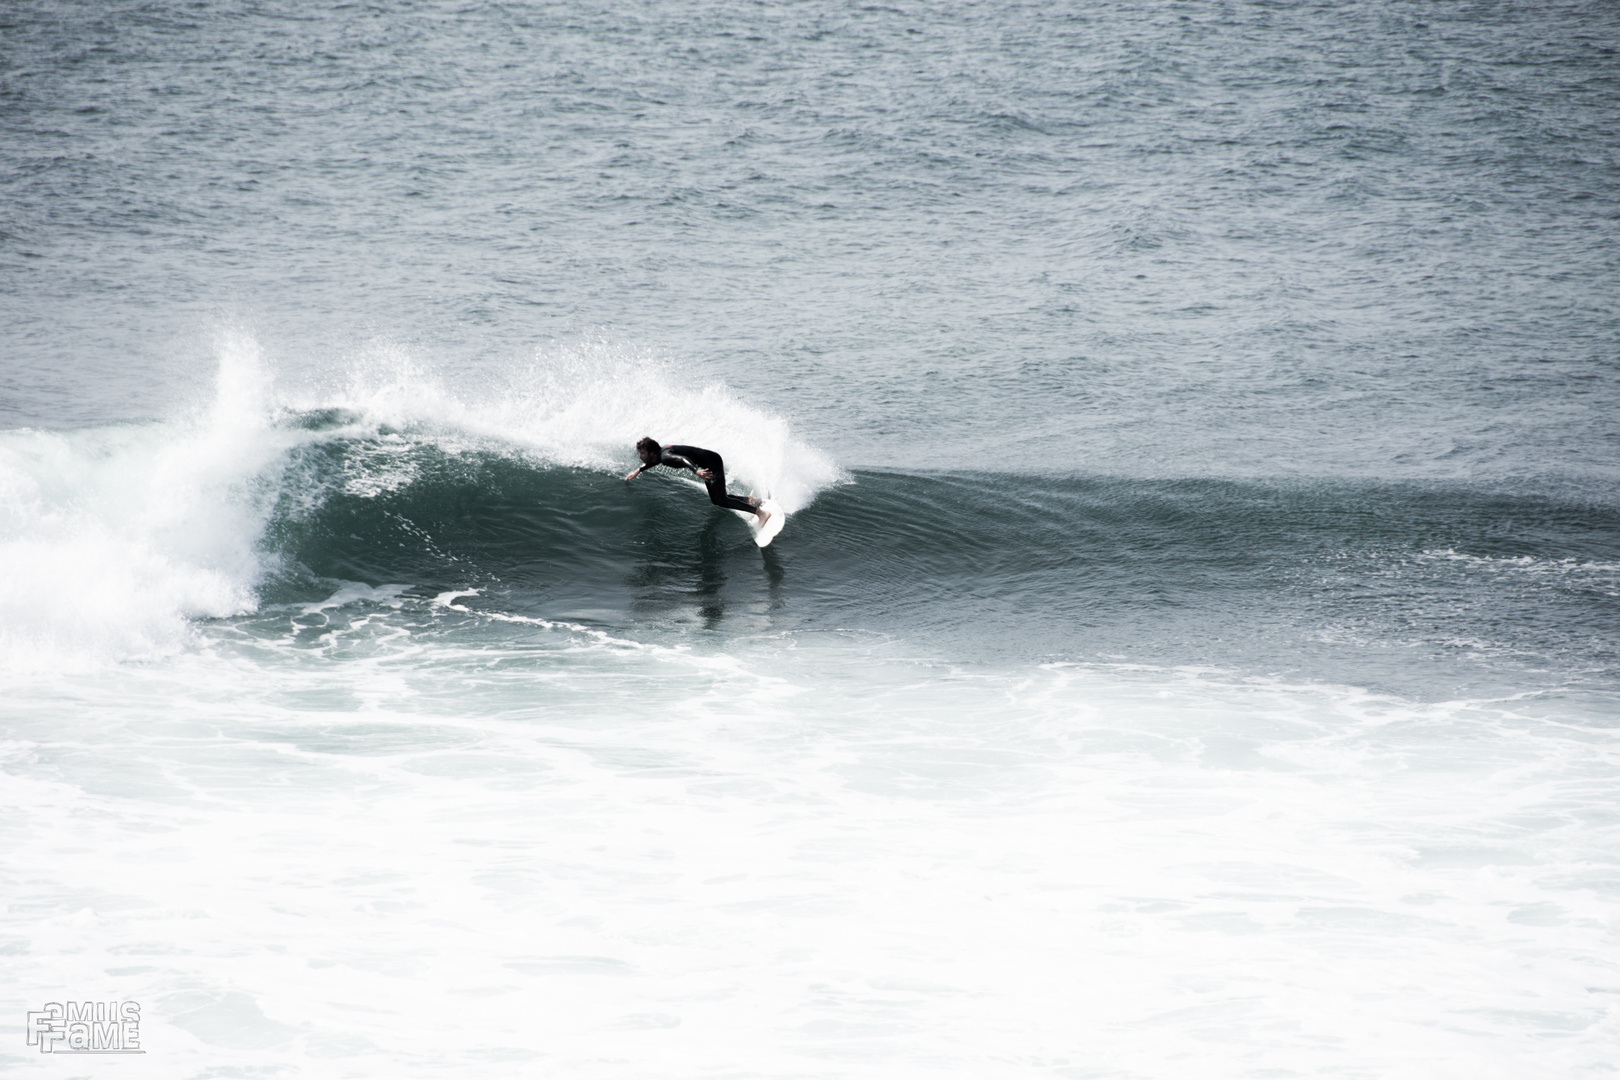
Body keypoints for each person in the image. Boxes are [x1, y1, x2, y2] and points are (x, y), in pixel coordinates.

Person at [624, 437, 770, 527]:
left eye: (642, 453)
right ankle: (752, 501)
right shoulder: (661, 453)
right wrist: (639, 470)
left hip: (711, 463)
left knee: (721, 500)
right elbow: (655, 461)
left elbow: (683, 460)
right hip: (710, 461)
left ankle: (761, 513)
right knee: (717, 499)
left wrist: (696, 471)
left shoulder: (666, 457)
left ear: (652, 453)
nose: (640, 456)